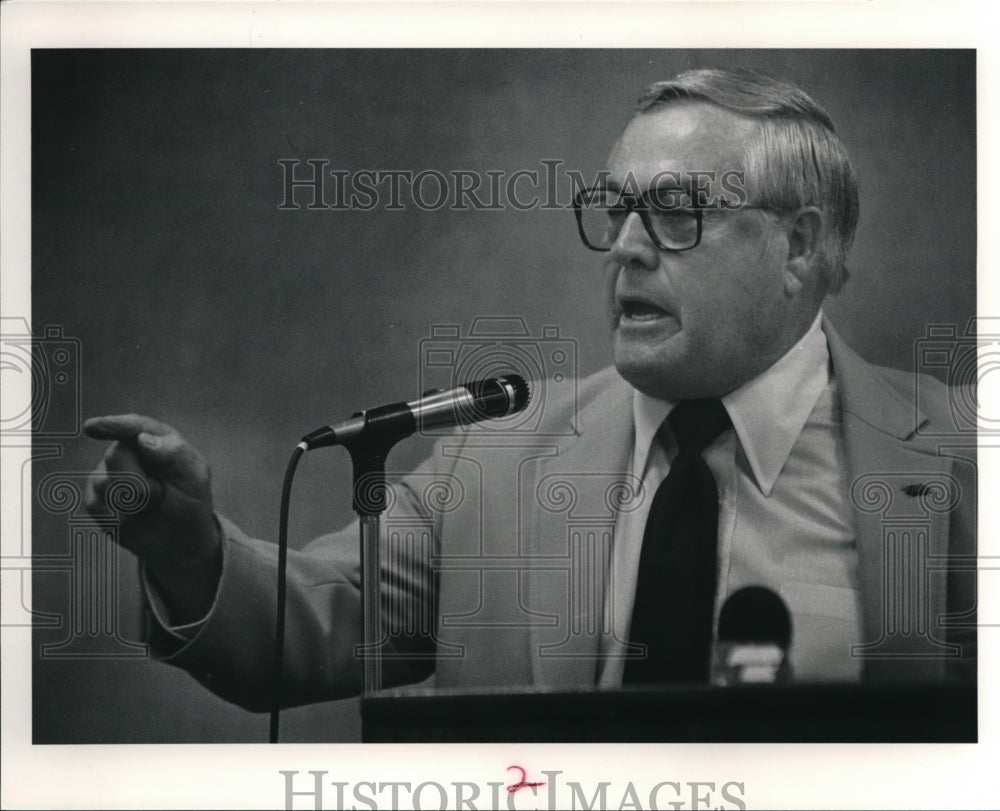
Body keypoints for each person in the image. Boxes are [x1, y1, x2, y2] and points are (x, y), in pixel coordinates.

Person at [84, 68, 976, 711]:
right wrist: (187, 545)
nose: (626, 245)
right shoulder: (495, 459)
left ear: (799, 248)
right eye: (615, 209)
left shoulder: (952, 456)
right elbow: (310, 627)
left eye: (675, 211)